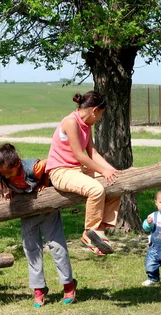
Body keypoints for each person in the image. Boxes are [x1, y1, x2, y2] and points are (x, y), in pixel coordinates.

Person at [0, 143, 77, 307]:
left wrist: (45, 181)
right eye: (3, 173)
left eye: (9, 172)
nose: (7, 176)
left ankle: (68, 284)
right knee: (31, 250)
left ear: (17, 164)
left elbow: (50, 162)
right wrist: (13, 192)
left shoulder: (33, 168)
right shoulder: (4, 175)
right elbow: (13, 183)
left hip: (47, 210)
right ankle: (39, 288)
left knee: (57, 247)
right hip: (28, 213)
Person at [45, 90, 121, 256]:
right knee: (96, 190)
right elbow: (79, 155)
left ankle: (100, 230)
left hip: (76, 170)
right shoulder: (71, 122)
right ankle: (89, 233)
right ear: (95, 110)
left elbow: (92, 152)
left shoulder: (86, 125)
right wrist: (102, 171)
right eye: (101, 114)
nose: (100, 118)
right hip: (60, 171)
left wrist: (110, 170)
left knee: (117, 183)